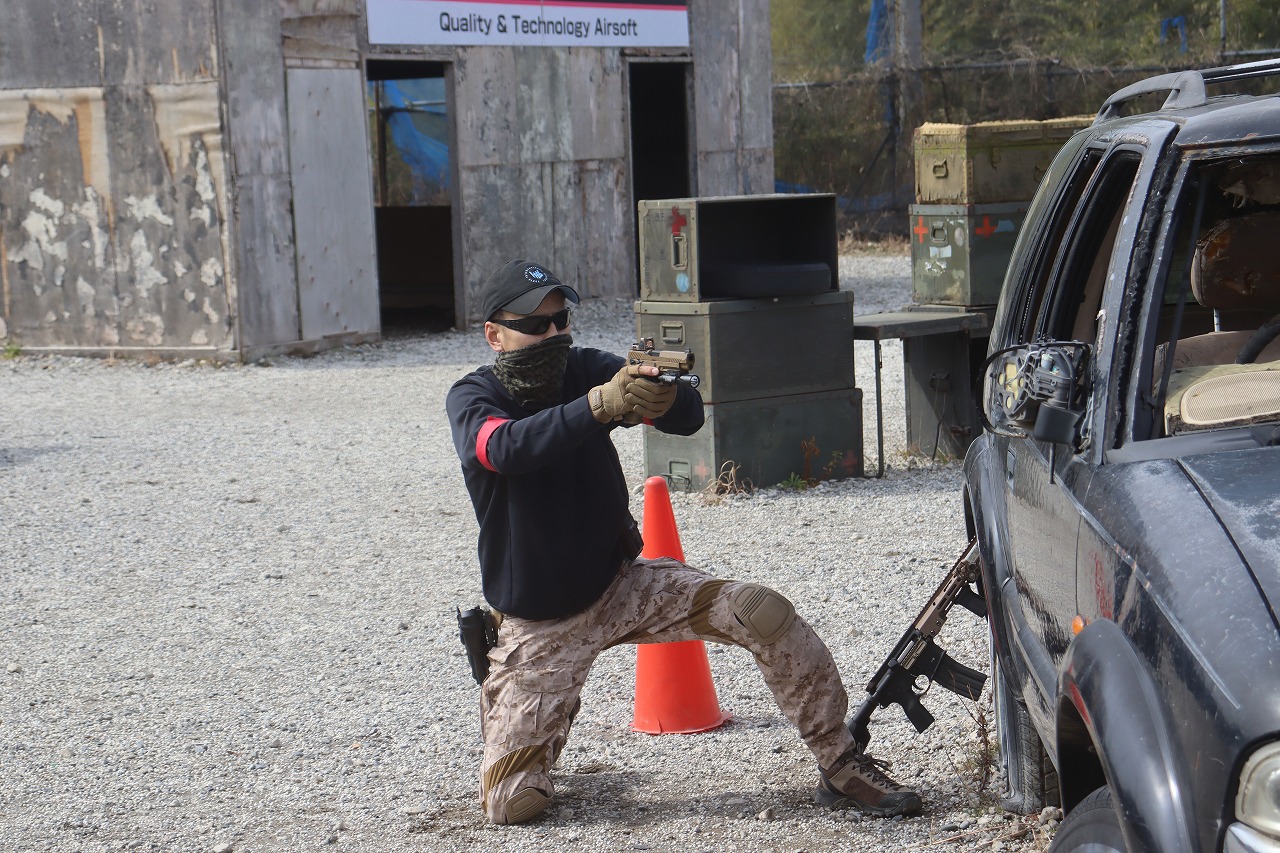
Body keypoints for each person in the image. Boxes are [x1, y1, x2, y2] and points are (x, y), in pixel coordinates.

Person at [445, 259, 922, 825]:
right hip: (541, 618)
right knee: (513, 806)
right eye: (535, 324)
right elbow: (505, 450)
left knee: (762, 613)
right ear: (494, 335)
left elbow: (688, 416)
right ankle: (530, 716)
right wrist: (600, 407)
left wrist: (664, 399)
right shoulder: (474, 396)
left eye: (560, 320)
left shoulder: (586, 368)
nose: (552, 334)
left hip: (621, 584)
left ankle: (841, 764)